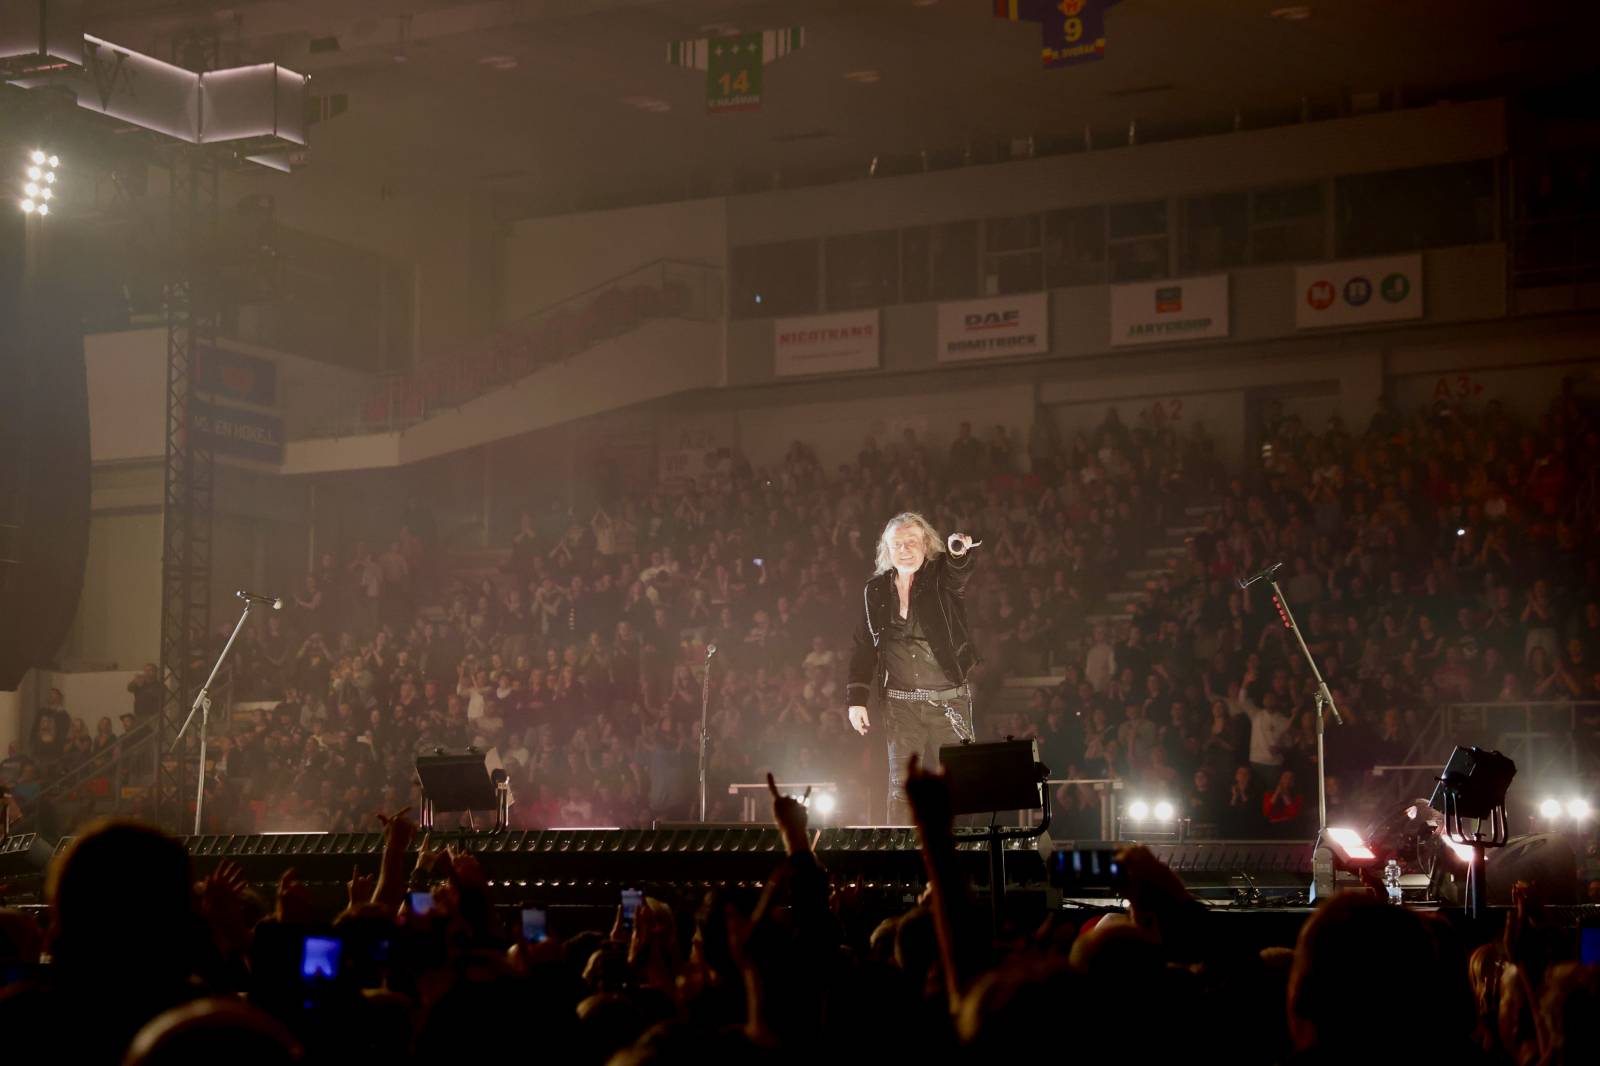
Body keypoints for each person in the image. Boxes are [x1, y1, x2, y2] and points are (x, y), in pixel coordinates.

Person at [846, 511, 981, 823]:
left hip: (949, 703)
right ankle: (904, 864)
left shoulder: (940, 577)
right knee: (902, 788)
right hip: (900, 706)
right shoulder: (875, 590)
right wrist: (856, 700)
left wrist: (959, 552)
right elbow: (863, 646)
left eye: (911, 542)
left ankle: (964, 862)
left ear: (926, 545)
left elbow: (958, 572)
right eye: (897, 544)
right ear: (887, 549)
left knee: (961, 786)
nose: (904, 549)